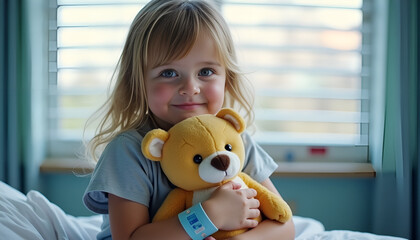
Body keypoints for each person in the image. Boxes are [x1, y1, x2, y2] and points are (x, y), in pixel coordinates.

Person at [83, 0, 295, 239]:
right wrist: (212, 215)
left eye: (205, 72)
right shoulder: (129, 150)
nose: (190, 87)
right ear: (139, 81)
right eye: (169, 73)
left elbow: (284, 225)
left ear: (228, 78)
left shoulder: (236, 141)